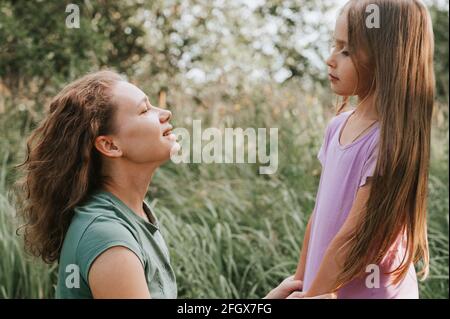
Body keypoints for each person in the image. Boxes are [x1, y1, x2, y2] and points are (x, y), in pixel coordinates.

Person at [17, 70, 303, 299]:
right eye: (144, 111)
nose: (164, 113)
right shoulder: (108, 238)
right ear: (110, 144)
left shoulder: (131, 214)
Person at [292, 0, 435, 298]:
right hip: (324, 292)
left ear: (386, 58)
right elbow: (318, 216)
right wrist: (301, 283)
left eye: (346, 51)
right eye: (335, 46)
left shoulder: (388, 142)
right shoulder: (336, 127)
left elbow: (353, 236)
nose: (331, 59)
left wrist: (310, 295)